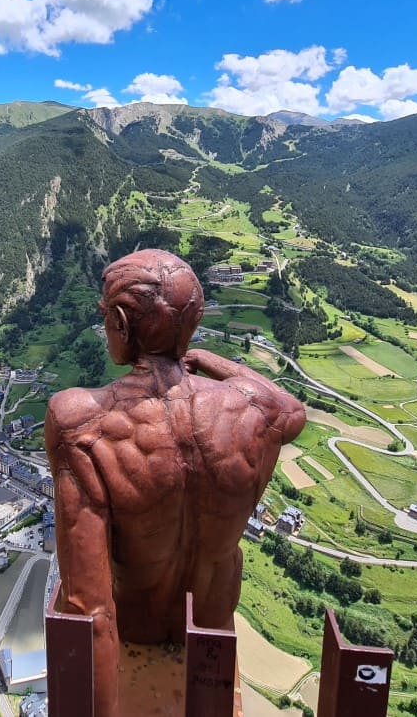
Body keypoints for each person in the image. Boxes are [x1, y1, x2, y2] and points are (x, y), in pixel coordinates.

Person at [45, 249, 306, 715]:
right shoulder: (254, 415)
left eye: (107, 316)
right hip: (209, 625)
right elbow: (288, 407)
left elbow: (91, 608)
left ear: (121, 323)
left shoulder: (82, 425)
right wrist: (202, 358)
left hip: (135, 627)